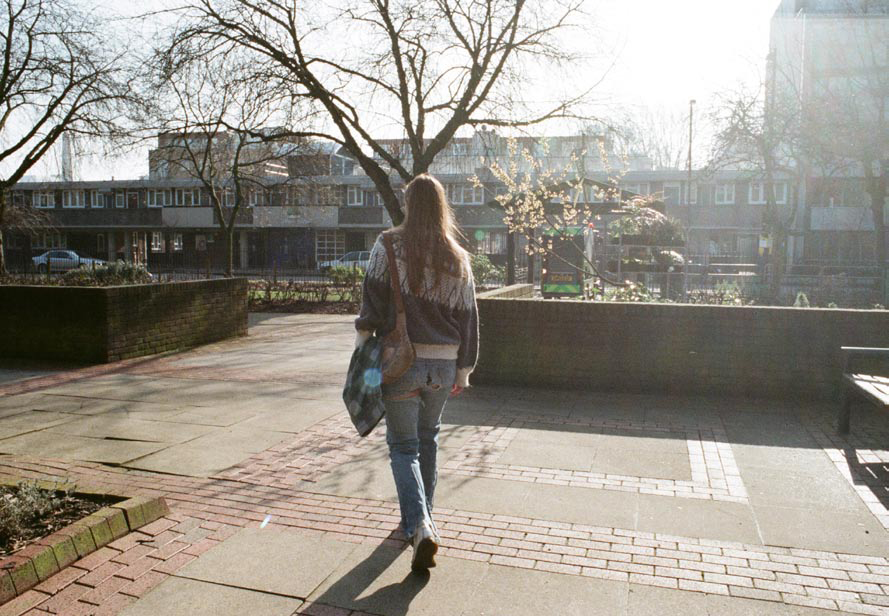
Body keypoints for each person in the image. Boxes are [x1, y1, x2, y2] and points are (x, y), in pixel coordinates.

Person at [355, 173, 479, 571]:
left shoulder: (388, 245)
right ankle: (424, 521)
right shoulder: (458, 258)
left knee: (404, 447)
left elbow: (372, 299)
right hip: (443, 367)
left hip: (401, 362)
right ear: (442, 207)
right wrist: (464, 370)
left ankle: (420, 524)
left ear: (409, 204)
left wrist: (363, 344)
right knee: (429, 439)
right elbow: (469, 318)